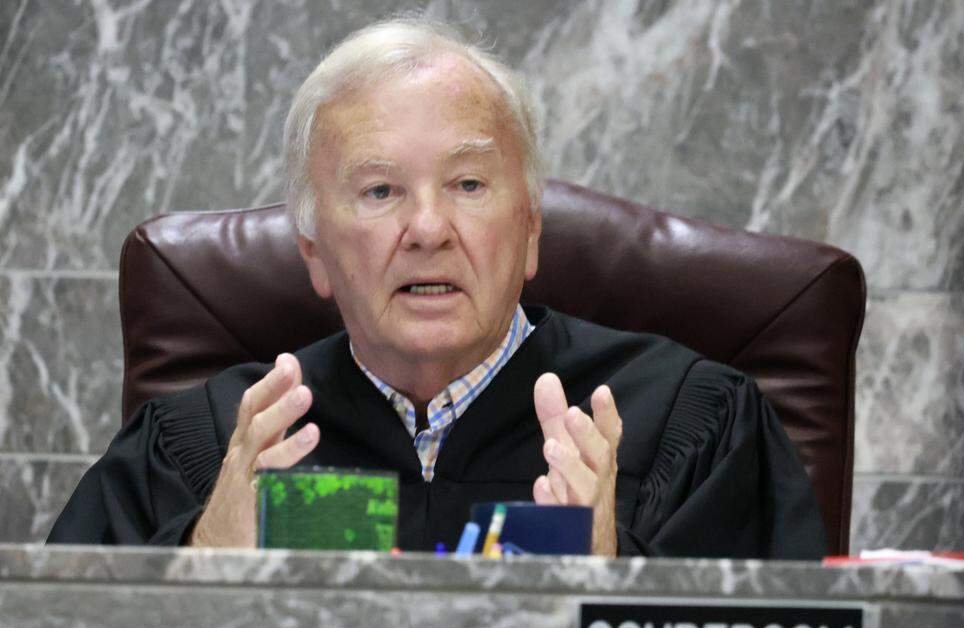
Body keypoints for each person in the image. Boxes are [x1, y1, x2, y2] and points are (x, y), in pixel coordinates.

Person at [47, 18, 825, 559]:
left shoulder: (688, 423)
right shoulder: (209, 447)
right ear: (314, 252)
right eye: (380, 190)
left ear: (530, 228)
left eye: (468, 183)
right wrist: (201, 563)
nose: (427, 228)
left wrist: (615, 586)